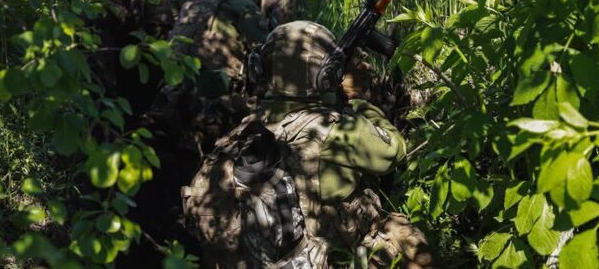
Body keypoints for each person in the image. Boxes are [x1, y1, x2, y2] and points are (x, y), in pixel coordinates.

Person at [181, 21, 434, 268]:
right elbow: (394, 152)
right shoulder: (336, 130)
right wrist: (358, 104)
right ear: (326, 74)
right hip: (327, 258)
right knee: (405, 238)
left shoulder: (246, 129)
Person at [151, 0, 268, 155]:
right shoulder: (243, 6)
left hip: (175, 100)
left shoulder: (192, 5)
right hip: (216, 108)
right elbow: (266, 54)